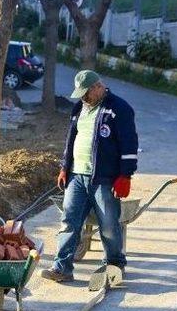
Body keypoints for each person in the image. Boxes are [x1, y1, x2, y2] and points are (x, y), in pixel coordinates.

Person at [40, 70, 138, 282]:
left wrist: (126, 175)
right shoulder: (79, 108)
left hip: (105, 178)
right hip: (77, 176)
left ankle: (114, 267)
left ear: (97, 87)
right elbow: (71, 141)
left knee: (109, 225)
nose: (83, 97)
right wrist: (65, 167)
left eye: (86, 92)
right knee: (69, 222)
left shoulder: (119, 109)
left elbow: (130, 144)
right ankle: (62, 268)